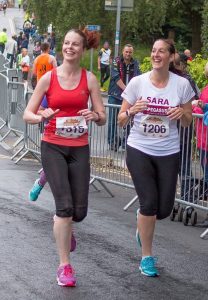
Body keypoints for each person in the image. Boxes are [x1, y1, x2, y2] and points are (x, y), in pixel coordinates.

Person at [23, 28, 106, 287]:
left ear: (83, 49)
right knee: (65, 207)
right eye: (67, 43)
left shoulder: (90, 79)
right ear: (63, 48)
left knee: (78, 212)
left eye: (75, 44)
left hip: (79, 146)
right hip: (53, 146)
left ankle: (64, 224)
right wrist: (41, 116)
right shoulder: (49, 78)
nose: (70, 47)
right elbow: (28, 113)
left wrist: (97, 116)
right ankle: (64, 266)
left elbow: (102, 116)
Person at [118, 39, 194, 277]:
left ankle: (143, 223)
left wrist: (182, 112)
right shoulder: (138, 83)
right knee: (149, 203)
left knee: (163, 209)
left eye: (161, 51)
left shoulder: (181, 85)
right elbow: (121, 118)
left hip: (168, 151)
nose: (156, 54)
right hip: (139, 148)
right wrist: (132, 111)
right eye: (153, 51)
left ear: (171, 56)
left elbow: (189, 119)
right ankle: (146, 257)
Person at [173, 52, 200, 202]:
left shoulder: (187, 80)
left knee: (184, 165)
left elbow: (197, 99)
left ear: (182, 65)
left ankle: (186, 197)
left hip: (183, 130)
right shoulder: (171, 79)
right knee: (176, 166)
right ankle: (179, 197)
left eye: (176, 64)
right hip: (171, 131)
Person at [108, 44, 141, 150]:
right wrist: (128, 91)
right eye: (126, 52)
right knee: (113, 120)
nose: (128, 54)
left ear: (132, 53)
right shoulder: (116, 61)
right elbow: (115, 77)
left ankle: (125, 141)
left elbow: (138, 77)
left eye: (130, 52)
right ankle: (112, 142)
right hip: (115, 95)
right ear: (123, 51)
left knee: (128, 120)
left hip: (129, 98)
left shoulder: (135, 63)